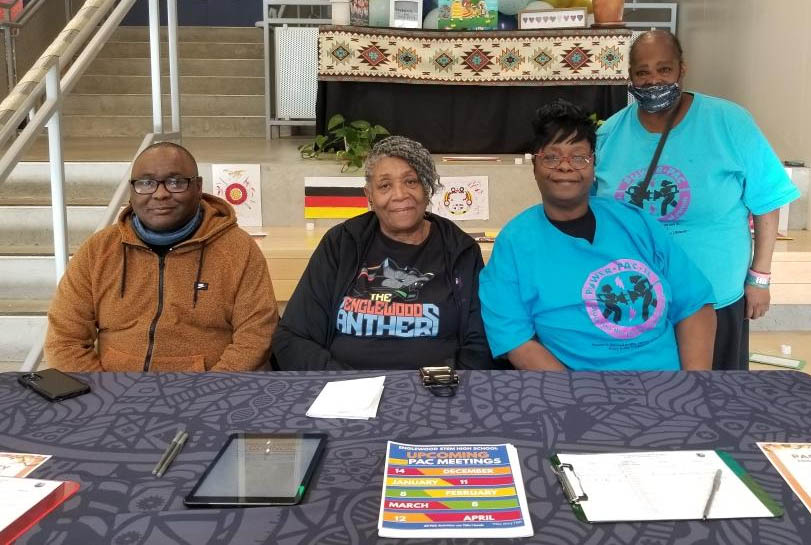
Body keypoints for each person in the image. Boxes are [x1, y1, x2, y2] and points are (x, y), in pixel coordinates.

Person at [595, 30, 800, 370]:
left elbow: (766, 203)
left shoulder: (728, 122)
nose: (653, 80)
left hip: (715, 297)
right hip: (636, 302)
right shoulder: (609, 135)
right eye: (642, 72)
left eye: (664, 70)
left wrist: (759, 278)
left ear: (682, 69)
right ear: (629, 76)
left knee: (716, 403)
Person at [479, 99, 716, 371]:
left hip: (667, 387)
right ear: (535, 166)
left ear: (594, 167)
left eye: (579, 157)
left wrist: (694, 386)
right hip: (575, 393)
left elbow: (694, 304)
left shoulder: (636, 222)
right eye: (552, 157)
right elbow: (516, 341)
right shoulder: (515, 242)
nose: (565, 166)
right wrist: (580, 398)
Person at [45, 142, 279, 372]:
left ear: (198, 187)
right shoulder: (98, 251)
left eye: (175, 182)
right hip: (114, 392)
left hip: (209, 393)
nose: (160, 194)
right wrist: (104, 394)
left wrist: (210, 394)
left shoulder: (238, 249)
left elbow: (256, 336)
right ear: (131, 190)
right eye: (146, 183)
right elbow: (64, 340)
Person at [273, 135, 493, 370]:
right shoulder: (341, 243)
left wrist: (438, 385)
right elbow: (293, 337)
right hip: (344, 393)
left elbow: (480, 345)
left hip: (437, 392)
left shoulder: (460, 250)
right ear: (369, 195)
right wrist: (347, 384)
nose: (399, 195)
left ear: (427, 188)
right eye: (385, 186)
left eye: (411, 182)